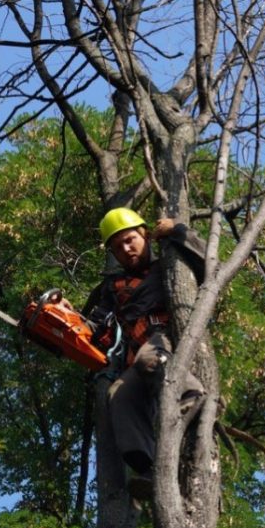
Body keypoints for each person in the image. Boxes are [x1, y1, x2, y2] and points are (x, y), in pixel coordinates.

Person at [59, 207, 207, 500]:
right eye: (118, 247)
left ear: (144, 235)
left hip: (166, 336)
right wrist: (68, 317)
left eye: (130, 240)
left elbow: (209, 263)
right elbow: (97, 324)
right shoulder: (113, 286)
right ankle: (149, 467)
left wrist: (178, 230)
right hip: (138, 351)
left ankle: (191, 396)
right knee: (119, 394)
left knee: (150, 359)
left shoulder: (168, 262)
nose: (125, 249)